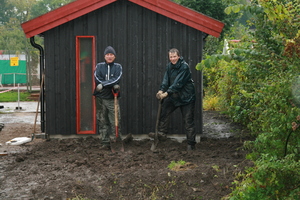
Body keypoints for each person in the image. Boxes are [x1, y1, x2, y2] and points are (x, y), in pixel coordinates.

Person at [150, 48, 196, 151]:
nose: (172, 59)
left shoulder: (184, 67)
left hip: (187, 98)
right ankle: (161, 134)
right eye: (171, 57)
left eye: (174, 56)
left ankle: (191, 144)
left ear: (178, 57)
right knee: (164, 111)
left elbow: (178, 83)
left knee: (188, 121)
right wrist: (161, 90)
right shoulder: (169, 66)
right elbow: (166, 80)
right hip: (175, 96)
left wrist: (167, 93)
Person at [93, 46, 122, 150]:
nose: (109, 57)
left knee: (115, 120)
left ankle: (116, 140)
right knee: (102, 120)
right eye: (107, 55)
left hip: (112, 98)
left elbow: (117, 79)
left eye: (111, 55)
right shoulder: (99, 66)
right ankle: (104, 142)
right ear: (104, 56)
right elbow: (96, 78)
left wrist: (103, 85)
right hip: (100, 98)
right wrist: (107, 84)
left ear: (114, 56)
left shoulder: (118, 67)